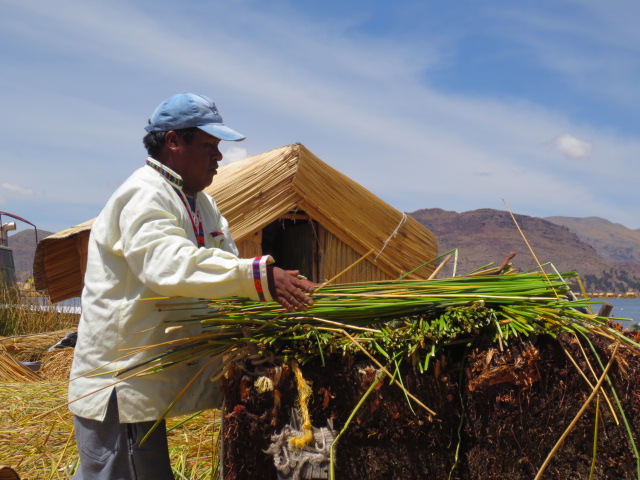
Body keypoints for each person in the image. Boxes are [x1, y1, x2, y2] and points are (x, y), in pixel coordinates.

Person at [68, 92, 316, 479]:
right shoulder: (144, 193)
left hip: (149, 376)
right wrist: (258, 276)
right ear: (173, 142)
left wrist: (259, 319)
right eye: (209, 146)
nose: (218, 156)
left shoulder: (202, 205)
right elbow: (167, 265)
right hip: (122, 379)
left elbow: (223, 268)